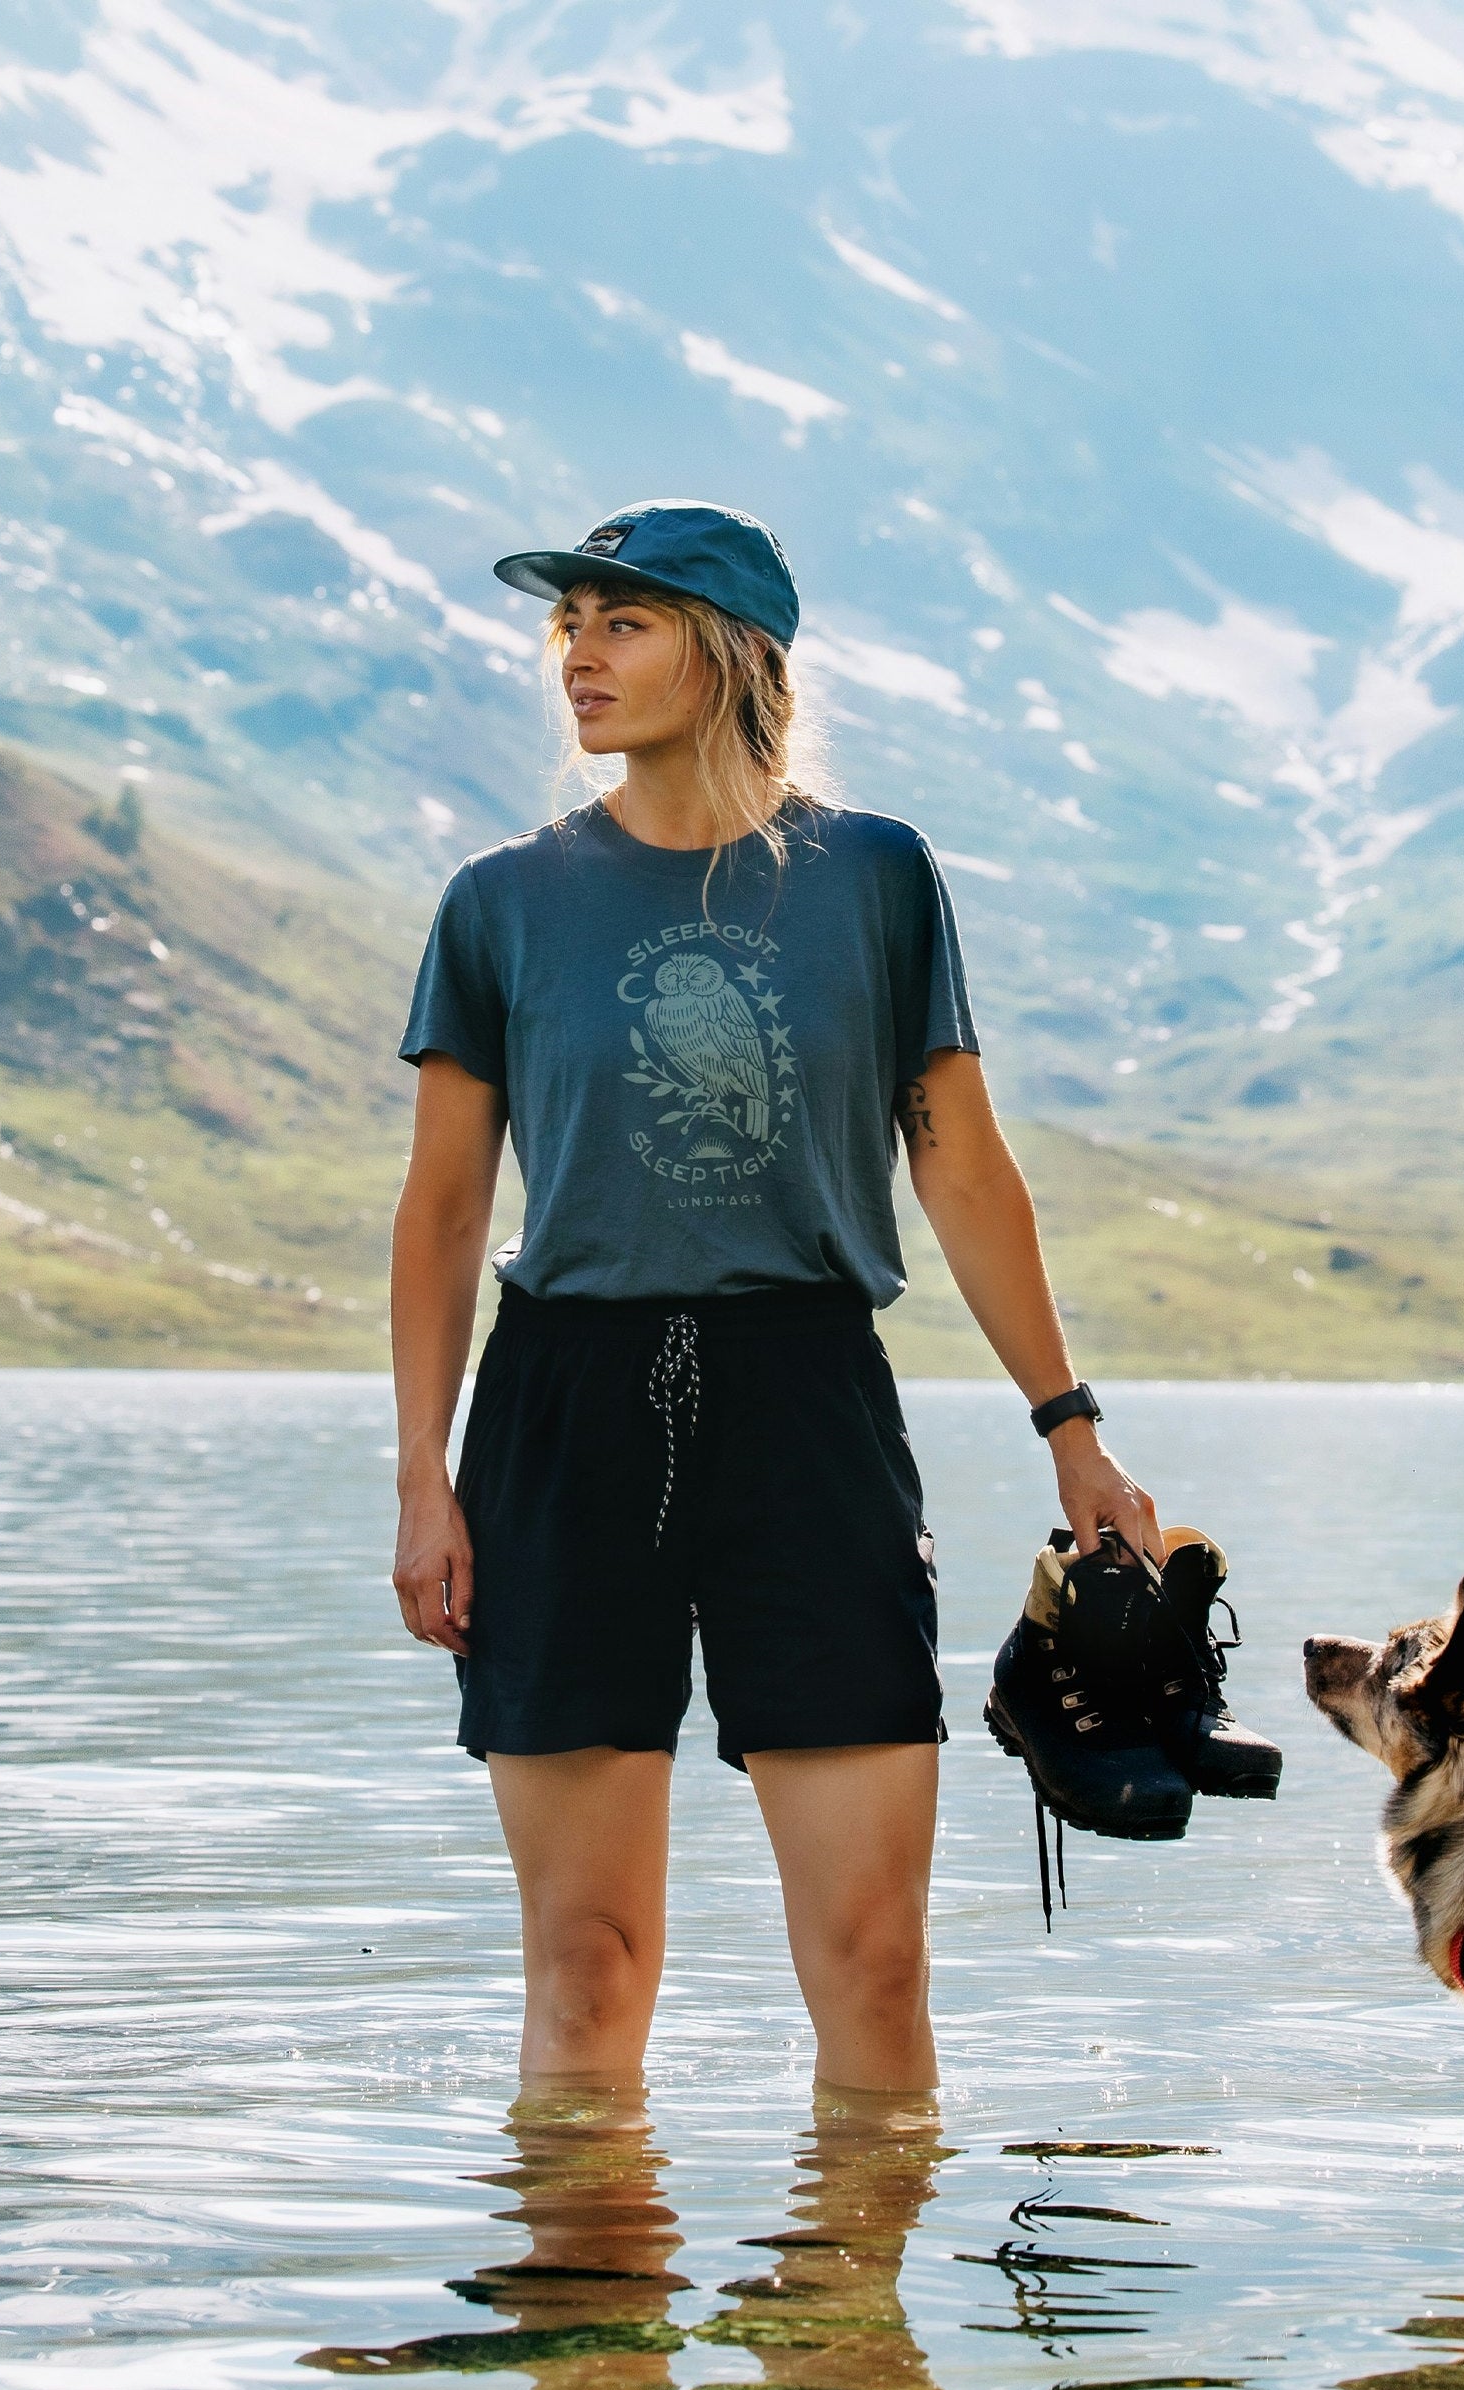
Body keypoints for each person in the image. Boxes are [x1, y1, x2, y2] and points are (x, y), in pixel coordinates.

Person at [388, 498, 1159, 2094]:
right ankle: (592, 2336)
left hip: (806, 1403)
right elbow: (448, 1206)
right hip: (562, 1415)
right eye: (570, 630)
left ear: (734, 656)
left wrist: (1070, 1429)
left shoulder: (875, 879)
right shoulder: (500, 902)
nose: (581, 660)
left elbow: (958, 1161)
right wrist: (423, 1478)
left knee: (876, 1964)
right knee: (587, 1972)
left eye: (625, 624)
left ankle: (848, 2330)